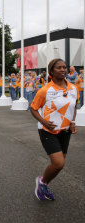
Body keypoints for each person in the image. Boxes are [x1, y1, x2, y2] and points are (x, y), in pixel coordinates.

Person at [30, 58, 79, 201]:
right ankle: (41, 182)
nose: (63, 69)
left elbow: (73, 106)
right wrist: (44, 121)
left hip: (65, 131)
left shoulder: (73, 88)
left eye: (64, 67)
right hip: (47, 131)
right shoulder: (45, 90)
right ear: (51, 71)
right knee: (59, 163)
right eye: (59, 68)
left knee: (58, 165)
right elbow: (33, 109)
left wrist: (72, 121)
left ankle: (44, 183)